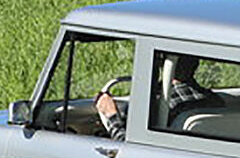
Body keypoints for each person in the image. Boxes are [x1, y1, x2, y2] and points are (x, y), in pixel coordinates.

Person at [95, 55, 223, 142]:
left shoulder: (155, 105)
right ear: (195, 63)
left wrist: (111, 115)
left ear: (164, 63)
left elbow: (130, 153)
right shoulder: (215, 101)